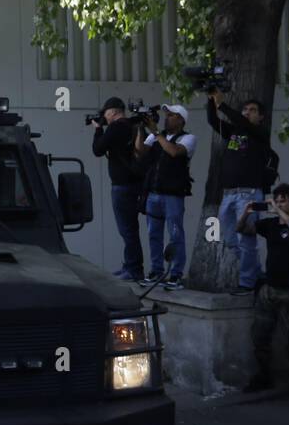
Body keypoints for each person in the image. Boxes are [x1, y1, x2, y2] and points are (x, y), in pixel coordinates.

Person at [237, 184, 289, 398]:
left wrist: (280, 212)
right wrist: (245, 214)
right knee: (260, 335)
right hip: (269, 288)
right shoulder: (271, 225)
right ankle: (264, 376)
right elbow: (242, 230)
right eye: (277, 200)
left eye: (284, 200)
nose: (279, 203)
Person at [207, 90, 273, 294]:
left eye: (252, 110)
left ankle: (247, 283)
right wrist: (211, 100)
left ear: (261, 117)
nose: (247, 113)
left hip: (249, 194)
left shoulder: (260, 133)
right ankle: (256, 274)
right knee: (230, 239)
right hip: (228, 194)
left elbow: (243, 123)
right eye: (245, 109)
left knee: (247, 241)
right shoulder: (235, 132)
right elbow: (212, 120)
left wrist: (223, 105)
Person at [135, 104, 196, 290]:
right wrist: (141, 128)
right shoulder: (156, 135)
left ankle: (176, 274)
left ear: (181, 119)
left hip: (173, 195)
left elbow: (174, 151)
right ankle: (156, 270)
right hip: (153, 193)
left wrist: (156, 132)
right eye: (166, 115)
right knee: (154, 234)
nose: (167, 118)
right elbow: (139, 152)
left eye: (171, 115)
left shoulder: (188, 138)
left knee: (175, 234)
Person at [91, 97, 145, 281]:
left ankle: (134, 269)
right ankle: (130, 266)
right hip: (135, 182)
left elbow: (97, 149)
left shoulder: (116, 127)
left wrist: (98, 130)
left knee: (127, 230)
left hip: (122, 185)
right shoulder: (133, 125)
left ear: (113, 112)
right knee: (131, 228)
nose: (104, 118)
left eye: (105, 114)